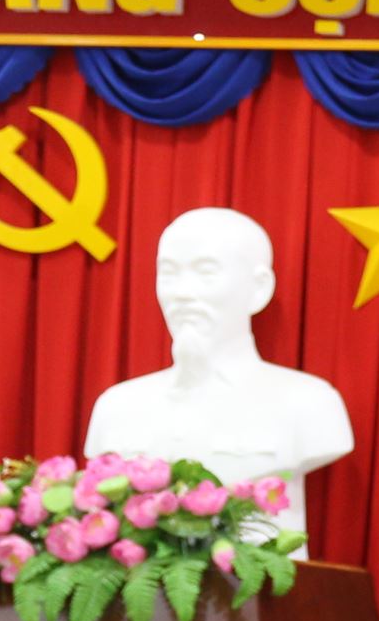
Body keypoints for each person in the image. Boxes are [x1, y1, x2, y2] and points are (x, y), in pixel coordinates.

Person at [83, 206, 353, 550]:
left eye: (206, 272)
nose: (181, 293)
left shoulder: (309, 403)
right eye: (168, 273)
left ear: (259, 289)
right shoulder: (118, 406)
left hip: (261, 580)